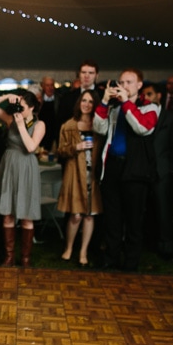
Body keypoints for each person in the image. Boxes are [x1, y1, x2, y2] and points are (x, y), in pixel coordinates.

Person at [93, 68, 159, 271]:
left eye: (129, 82)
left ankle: (131, 262)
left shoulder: (150, 107)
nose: (124, 86)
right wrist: (104, 101)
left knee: (133, 219)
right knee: (112, 217)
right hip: (112, 166)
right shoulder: (114, 106)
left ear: (139, 85)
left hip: (135, 170)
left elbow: (142, 127)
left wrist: (126, 103)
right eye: (122, 82)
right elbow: (99, 128)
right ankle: (111, 258)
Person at [0, 90, 45, 267]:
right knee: (8, 213)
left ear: (32, 107)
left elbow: (31, 147)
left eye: (23, 107)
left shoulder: (39, 124)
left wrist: (21, 126)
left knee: (27, 215)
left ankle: (25, 257)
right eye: (18, 105)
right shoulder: (11, 118)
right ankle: (9, 256)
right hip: (10, 165)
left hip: (26, 166)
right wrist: (7, 97)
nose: (19, 109)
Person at [56, 90, 103, 267]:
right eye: (84, 100)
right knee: (75, 215)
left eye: (91, 102)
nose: (87, 104)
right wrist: (77, 146)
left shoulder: (99, 125)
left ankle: (83, 252)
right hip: (75, 174)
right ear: (79, 103)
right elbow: (60, 150)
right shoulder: (69, 125)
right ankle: (68, 248)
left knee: (90, 215)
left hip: (94, 175)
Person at [141, 83, 173, 259]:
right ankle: (145, 243)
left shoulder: (172, 118)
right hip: (142, 169)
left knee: (164, 210)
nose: (146, 97)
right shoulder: (138, 115)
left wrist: (169, 169)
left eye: (149, 94)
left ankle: (166, 247)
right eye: (144, 95)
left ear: (159, 95)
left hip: (162, 171)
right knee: (144, 210)